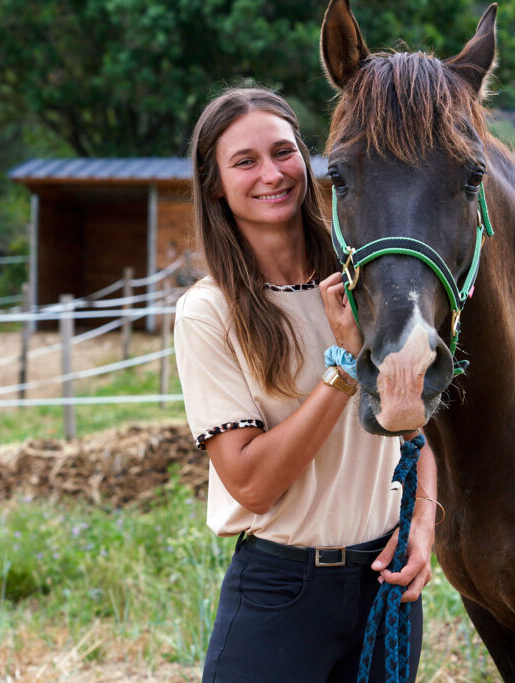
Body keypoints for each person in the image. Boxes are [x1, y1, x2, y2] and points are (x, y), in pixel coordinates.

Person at [174, 86, 438, 682]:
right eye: (245, 161)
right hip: (280, 593)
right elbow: (251, 484)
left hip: (385, 584)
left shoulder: (366, 280)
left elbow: (417, 427)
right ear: (215, 183)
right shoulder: (208, 313)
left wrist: (422, 527)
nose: (271, 174)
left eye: (283, 152)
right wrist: (343, 367)